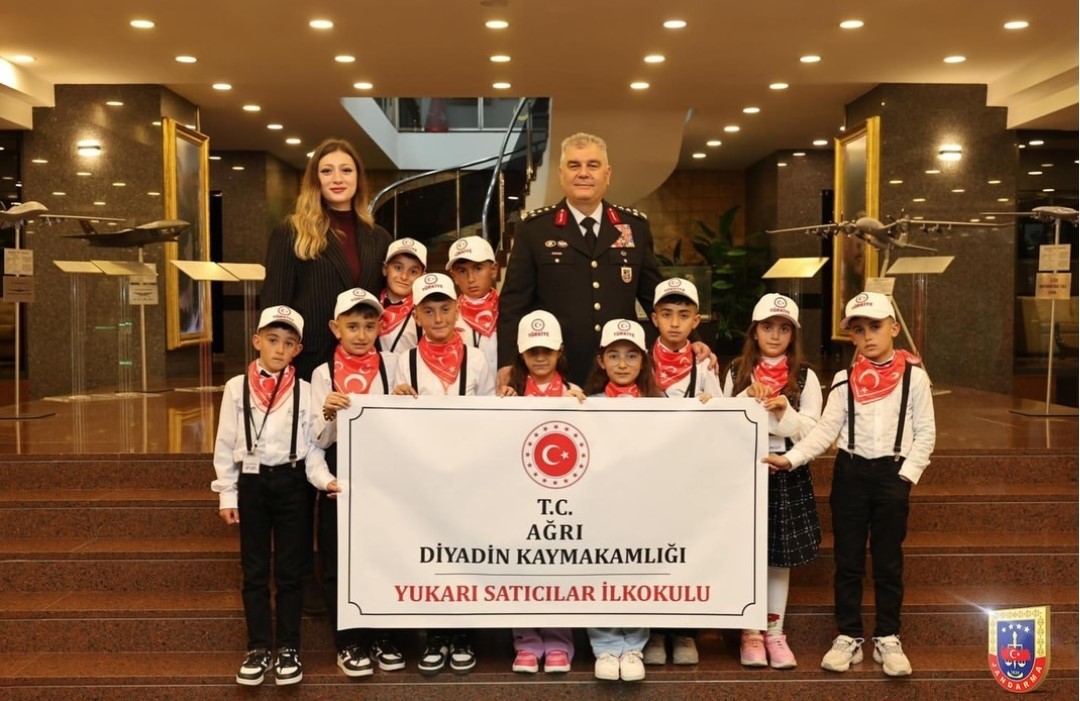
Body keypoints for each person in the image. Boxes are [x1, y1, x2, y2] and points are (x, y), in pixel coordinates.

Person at [762, 291, 936, 678]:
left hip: (892, 475)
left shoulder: (915, 378)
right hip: (850, 475)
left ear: (894, 328)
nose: (868, 336)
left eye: (875, 326)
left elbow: (926, 433)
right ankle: (849, 635)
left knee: (888, 561)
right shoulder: (844, 381)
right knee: (848, 561)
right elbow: (825, 432)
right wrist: (790, 459)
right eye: (859, 330)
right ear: (851, 337)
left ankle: (888, 636)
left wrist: (906, 476)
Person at [211, 306, 339, 687]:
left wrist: (325, 480)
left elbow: (315, 446)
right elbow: (225, 443)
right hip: (252, 484)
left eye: (288, 343)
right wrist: (227, 494)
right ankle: (257, 648)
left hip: (293, 484)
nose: (279, 349)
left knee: (290, 572)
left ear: (298, 349)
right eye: (272, 340)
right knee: (253, 571)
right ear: (257, 341)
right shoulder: (236, 387)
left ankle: (288, 647)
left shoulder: (306, 391)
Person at [497, 132, 665, 387]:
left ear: (607, 174)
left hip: (620, 371)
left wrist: (689, 342)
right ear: (561, 174)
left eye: (593, 165)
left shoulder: (633, 227)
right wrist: (507, 361)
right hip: (554, 371)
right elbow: (514, 303)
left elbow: (656, 298)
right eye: (574, 165)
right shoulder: (535, 229)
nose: (583, 173)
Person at [391, 273, 494, 676]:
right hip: (426, 475)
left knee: (466, 553)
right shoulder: (404, 362)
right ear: (416, 315)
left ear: (457, 310)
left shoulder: (477, 359)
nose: (438, 318)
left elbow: (491, 417)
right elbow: (396, 424)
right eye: (429, 310)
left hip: (469, 473)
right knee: (431, 553)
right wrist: (396, 401)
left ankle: (464, 635)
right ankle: (436, 635)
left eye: (445, 308)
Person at [722, 293, 823, 670]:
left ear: (793, 334)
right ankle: (749, 632)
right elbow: (721, 423)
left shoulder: (806, 376)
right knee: (747, 552)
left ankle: (774, 631)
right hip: (743, 474)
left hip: (786, 472)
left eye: (784, 328)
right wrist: (745, 399)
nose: (775, 335)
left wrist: (785, 412)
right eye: (768, 327)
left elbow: (814, 431)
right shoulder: (736, 371)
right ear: (755, 331)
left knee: (780, 556)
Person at [310, 288, 402, 678]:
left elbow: (406, 428)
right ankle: (348, 640)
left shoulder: (394, 365)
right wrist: (329, 413)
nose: (361, 335)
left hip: (385, 475)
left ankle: (384, 636)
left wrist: (405, 401)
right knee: (338, 560)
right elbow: (315, 440)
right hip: (340, 474)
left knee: (386, 556)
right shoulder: (323, 373)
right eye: (352, 326)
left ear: (380, 326)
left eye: (368, 326)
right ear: (336, 328)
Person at [262, 138, 392, 381]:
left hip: (366, 366)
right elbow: (275, 307)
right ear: (315, 179)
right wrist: (271, 369)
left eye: (346, 170)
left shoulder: (379, 237)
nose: (337, 179)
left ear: (358, 177)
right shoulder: (290, 233)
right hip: (309, 363)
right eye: (326, 171)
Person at [642, 278, 719, 667]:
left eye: (684, 315)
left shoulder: (703, 364)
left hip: (689, 474)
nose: (675, 323)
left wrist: (709, 406)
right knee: (651, 549)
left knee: (686, 550)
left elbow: (721, 414)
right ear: (653, 318)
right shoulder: (638, 358)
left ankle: (685, 630)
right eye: (667, 314)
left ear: (696, 321)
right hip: (647, 472)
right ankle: (655, 630)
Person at [505, 310, 582, 674]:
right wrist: (499, 405)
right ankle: (526, 641)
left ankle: (559, 642)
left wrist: (583, 408)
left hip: (563, 500)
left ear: (559, 351)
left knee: (559, 567)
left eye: (547, 350)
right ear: (521, 353)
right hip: (519, 498)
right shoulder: (507, 392)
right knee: (521, 567)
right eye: (532, 351)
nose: (539, 357)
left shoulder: (575, 393)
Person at [583, 318, 659, 682]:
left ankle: (633, 646)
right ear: (601, 361)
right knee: (598, 569)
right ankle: (605, 645)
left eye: (631, 355)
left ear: (644, 361)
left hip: (643, 506)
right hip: (598, 506)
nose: (623, 364)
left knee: (638, 569)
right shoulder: (586, 403)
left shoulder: (661, 406)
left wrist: (704, 409)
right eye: (614, 355)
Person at [447, 236, 500, 379]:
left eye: (478, 268)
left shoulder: (510, 310)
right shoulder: (448, 316)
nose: (471, 279)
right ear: (454, 276)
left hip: (507, 391)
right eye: (462, 271)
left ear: (493, 270)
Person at [378, 237, 427, 355]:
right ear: (385, 269)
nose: (404, 276)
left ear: (422, 276)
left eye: (413, 271)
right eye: (398, 268)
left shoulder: (424, 313)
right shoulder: (371, 306)